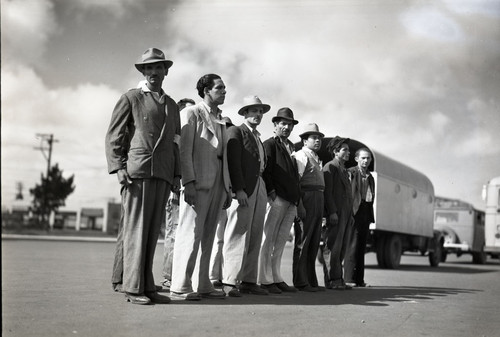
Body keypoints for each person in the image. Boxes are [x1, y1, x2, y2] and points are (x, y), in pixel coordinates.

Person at [105, 47, 179, 305]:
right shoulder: (131, 97)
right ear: (143, 72)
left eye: (158, 67)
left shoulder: (171, 104)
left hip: (163, 174)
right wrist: (119, 168)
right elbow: (114, 135)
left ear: (165, 71)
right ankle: (132, 287)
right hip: (136, 172)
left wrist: (176, 175)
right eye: (149, 68)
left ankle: (146, 285)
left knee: (150, 233)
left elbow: (175, 143)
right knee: (135, 229)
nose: (154, 72)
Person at [170, 74, 231, 301]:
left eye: (225, 88)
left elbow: (223, 156)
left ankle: (202, 283)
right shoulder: (190, 113)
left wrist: (226, 187)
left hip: (217, 183)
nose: (224, 91)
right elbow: (184, 151)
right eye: (219, 88)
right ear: (206, 90)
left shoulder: (221, 118)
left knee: (208, 236)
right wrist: (189, 182)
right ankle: (180, 286)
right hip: (198, 181)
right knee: (190, 233)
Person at [222, 95, 270, 297]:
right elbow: (233, 161)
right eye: (253, 110)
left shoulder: (257, 136)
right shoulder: (236, 131)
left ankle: (249, 280)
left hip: (259, 184)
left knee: (256, 234)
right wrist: (238, 189)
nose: (258, 114)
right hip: (244, 188)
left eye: (260, 111)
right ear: (244, 113)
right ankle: (230, 281)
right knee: (238, 233)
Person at [258, 107, 301, 294]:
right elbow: (266, 170)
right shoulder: (269, 144)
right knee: (268, 238)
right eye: (283, 123)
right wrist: (271, 193)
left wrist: (296, 200)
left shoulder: (291, 147)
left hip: (290, 200)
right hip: (276, 198)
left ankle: (276, 276)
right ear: (275, 125)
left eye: (289, 124)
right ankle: (264, 278)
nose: (286, 127)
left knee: (281, 240)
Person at [160, 98, 196, 290]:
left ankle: (182, 275)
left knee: (187, 233)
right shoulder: (175, 136)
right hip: (175, 189)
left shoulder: (191, 136)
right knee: (174, 233)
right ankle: (168, 276)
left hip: (189, 189)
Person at [291, 123, 325, 292]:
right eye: (313, 138)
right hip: (307, 198)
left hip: (318, 199)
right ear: (304, 141)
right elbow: (296, 182)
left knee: (313, 241)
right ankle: (301, 281)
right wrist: (300, 204)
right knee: (303, 241)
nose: (317, 140)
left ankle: (311, 280)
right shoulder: (301, 156)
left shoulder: (317, 158)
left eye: (319, 138)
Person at [322, 136, 354, 290]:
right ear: (335, 151)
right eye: (344, 150)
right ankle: (331, 280)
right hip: (335, 214)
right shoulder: (330, 167)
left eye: (348, 150)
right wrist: (332, 212)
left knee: (341, 247)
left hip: (346, 215)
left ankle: (339, 279)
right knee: (332, 246)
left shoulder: (344, 170)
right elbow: (327, 192)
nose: (348, 152)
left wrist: (351, 216)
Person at [344, 148, 375, 288]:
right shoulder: (351, 172)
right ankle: (349, 279)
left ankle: (359, 280)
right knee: (352, 245)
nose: (366, 160)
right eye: (363, 158)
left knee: (361, 246)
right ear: (356, 159)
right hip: (353, 212)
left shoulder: (370, 176)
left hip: (365, 212)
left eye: (368, 158)